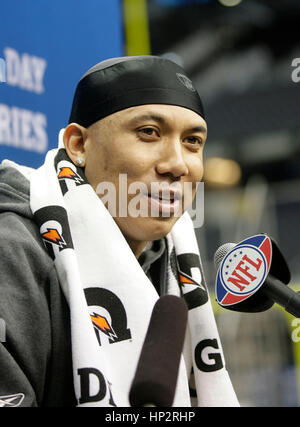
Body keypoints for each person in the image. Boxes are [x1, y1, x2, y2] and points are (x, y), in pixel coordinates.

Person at [0, 55, 239, 407]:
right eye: (148, 133)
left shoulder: (169, 255)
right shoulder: (14, 250)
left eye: (192, 141)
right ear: (79, 145)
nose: (176, 164)